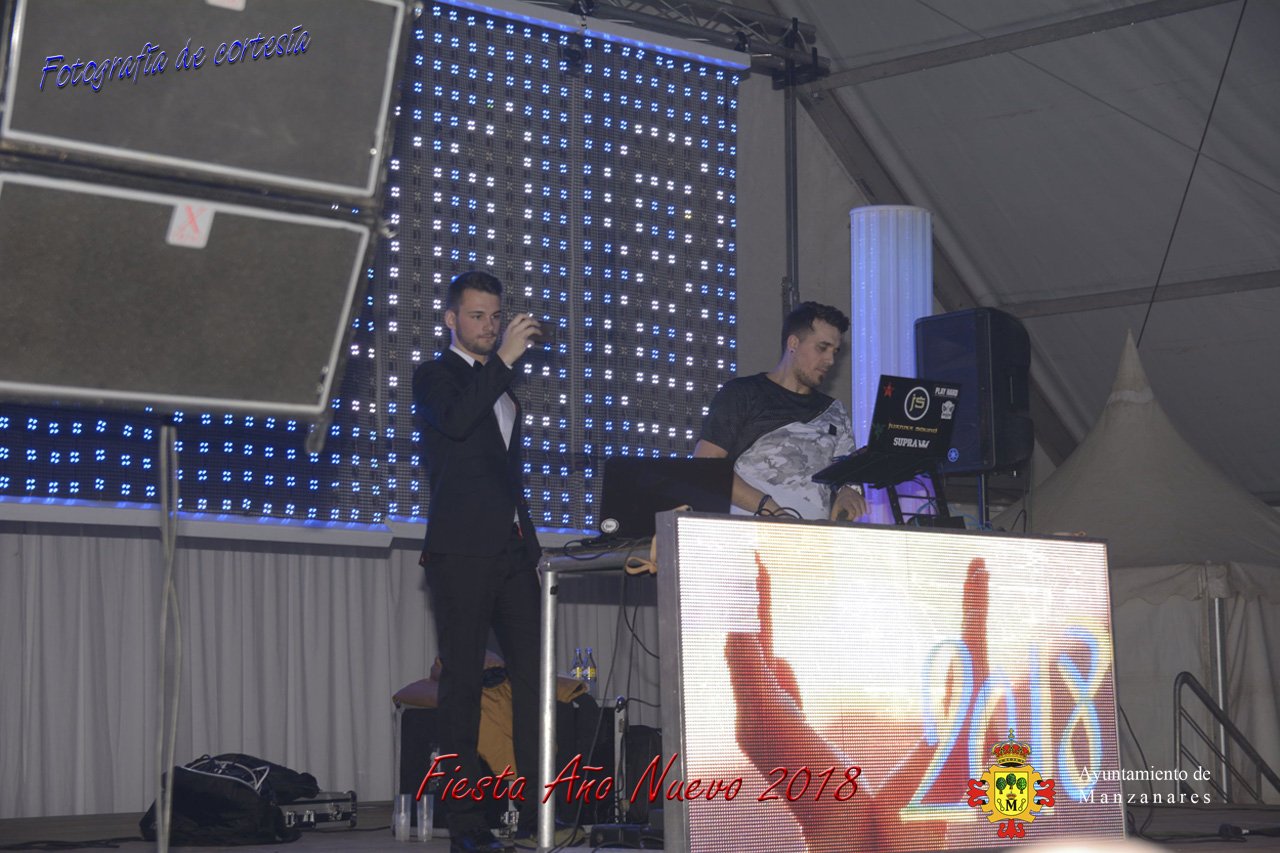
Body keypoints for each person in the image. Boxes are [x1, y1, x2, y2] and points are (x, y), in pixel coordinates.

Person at [413, 270, 544, 853]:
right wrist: (505, 361)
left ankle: (539, 812)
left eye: (495, 316)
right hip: (461, 552)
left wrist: (529, 544)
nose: (489, 327)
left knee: (534, 683)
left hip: (513, 552)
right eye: (476, 316)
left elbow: (503, 474)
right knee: (462, 686)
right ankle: (465, 823)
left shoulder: (504, 387)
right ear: (451, 319)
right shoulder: (434, 375)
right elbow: (457, 420)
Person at [694, 301, 868, 522]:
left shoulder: (836, 412)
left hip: (812, 539)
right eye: (822, 348)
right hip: (746, 535)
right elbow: (706, 466)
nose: (830, 360)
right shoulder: (742, 393)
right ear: (793, 343)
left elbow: (847, 475)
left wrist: (849, 492)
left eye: (835, 351)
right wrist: (772, 510)